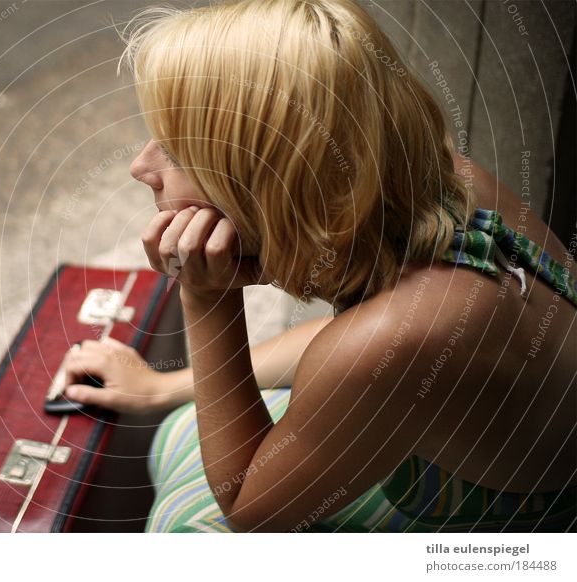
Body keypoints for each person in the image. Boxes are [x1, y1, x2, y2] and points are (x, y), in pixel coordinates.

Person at [63, 0, 577, 532]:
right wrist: (163, 387)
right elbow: (362, 356)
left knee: (183, 528)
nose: (140, 167)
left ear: (274, 185)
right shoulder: (448, 184)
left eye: (174, 149)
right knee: (177, 425)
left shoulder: (394, 338)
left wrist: (208, 299)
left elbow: (249, 513)